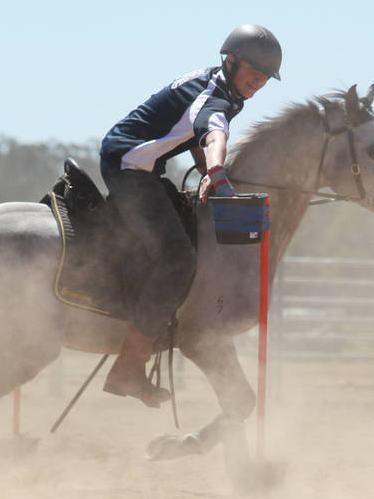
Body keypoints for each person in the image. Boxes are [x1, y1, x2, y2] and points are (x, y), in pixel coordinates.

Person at [99, 24, 282, 406]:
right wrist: (217, 174)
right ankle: (129, 366)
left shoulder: (218, 87)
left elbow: (197, 134)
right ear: (231, 61)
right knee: (178, 259)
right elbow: (213, 134)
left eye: (265, 77)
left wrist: (205, 172)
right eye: (254, 71)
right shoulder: (215, 96)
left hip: (139, 165)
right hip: (130, 167)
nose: (258, 81)